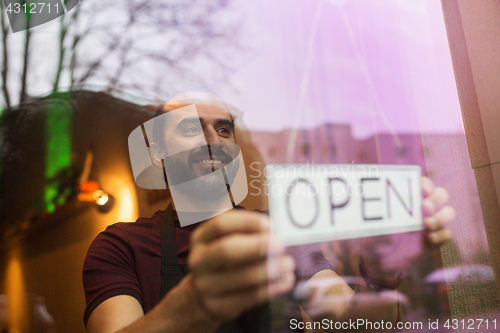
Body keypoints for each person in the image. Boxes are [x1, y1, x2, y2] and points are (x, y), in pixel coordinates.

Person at [83, 95, 455, 333]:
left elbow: (347, 319)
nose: (213, 139)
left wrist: (381, 266)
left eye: (224, 129)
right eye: (191, 128)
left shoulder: (281, 232)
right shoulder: (120, 246)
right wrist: (197, 303)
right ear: (160, 155)